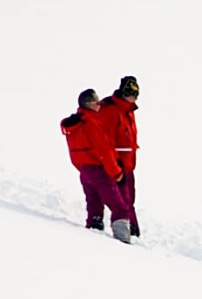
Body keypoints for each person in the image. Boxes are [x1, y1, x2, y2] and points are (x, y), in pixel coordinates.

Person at [59, 87, 135, 242]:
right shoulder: (91, 123)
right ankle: (123, 240)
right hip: (98, 170)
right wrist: (117, 173)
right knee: (120, 207)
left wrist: (83, 168)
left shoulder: (75, 124)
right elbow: (104, 150)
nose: (100, 105)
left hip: (85, 171)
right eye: (97, 102)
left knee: (94, 206)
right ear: (89, 104)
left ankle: (94, 236)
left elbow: (76, 152)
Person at [101, 74, 142, 238]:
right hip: (117, 163)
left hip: (128, 162)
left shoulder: (128, 110)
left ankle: (133, 228)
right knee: (121, 199)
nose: (133, 98)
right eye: (130, 93)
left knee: (129, 197)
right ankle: (126, 231)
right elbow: (106, 139)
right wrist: (114, 163)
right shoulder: (111, 110)